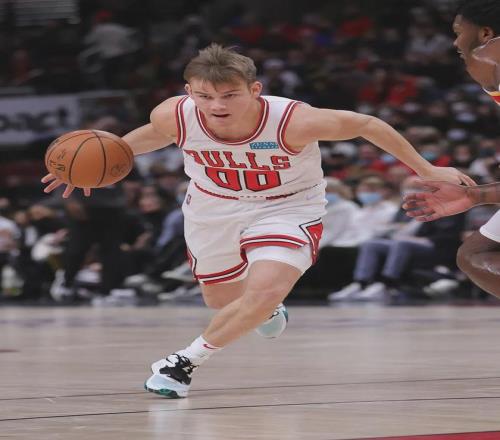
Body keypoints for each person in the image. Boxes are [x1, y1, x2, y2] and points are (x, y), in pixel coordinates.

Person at [42, 44, 472, 399]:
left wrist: (427, 169)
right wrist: (91, 164)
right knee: (221, 300)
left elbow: (366, 124)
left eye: (230, 95)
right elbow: (149, 138)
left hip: (287, 207)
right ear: (189, 91)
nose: (216, 106)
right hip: (213, 208)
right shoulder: (174, 114)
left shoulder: (293, 121)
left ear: (254, 90)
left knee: (262, 293)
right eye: (205, 96)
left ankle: (182, 363)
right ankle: (264, 309)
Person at [403, 0, 500, 297]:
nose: (456, 43)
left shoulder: (487, 59)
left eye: (459, 32)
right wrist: (474, 195)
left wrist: (477, 196)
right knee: (474, 255)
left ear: (486, 34)